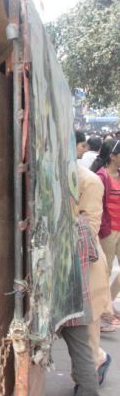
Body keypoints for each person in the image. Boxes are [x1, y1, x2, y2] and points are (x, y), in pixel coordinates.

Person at [77, 164, 114, 385]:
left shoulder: (90, 181)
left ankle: (97, 363)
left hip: (86, 262)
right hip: (66, 262)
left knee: (88, 325)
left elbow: (89, 230)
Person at [62, 215, 103, 395]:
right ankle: (88, 391)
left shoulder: (42, 223)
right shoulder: (81, 224)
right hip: (78, 301)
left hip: (49, 303)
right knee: (82, 354)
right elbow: (93, 255)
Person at [90, 139, 120, 326]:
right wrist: (103, 230)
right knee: (104, 271)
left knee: (107, 271)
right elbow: (97, 206)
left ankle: (107, 302)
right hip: (108, 231)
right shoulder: (101, 177)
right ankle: (102, 310)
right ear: (113, 156)